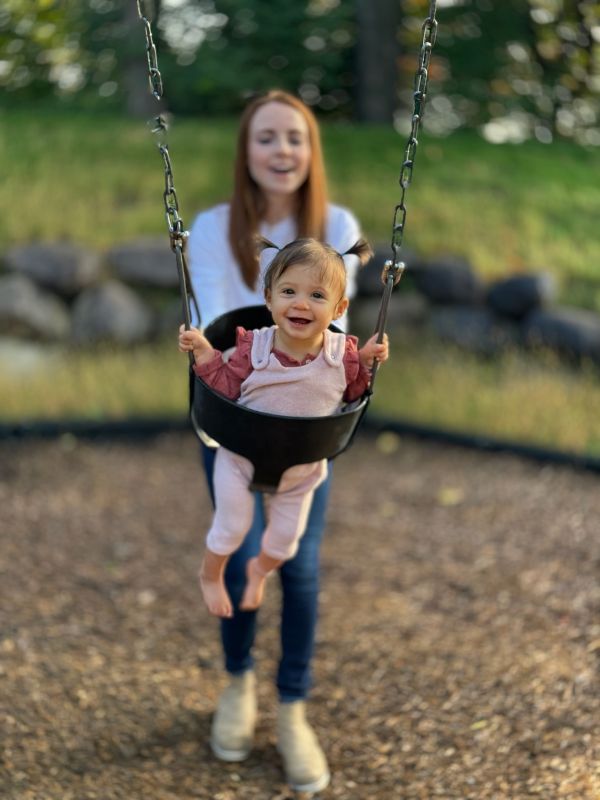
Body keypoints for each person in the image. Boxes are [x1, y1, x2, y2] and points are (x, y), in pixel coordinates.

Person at [186, 89, 371, 794]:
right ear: (247, 150)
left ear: (311, 150)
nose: (282, 150)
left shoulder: (339, 225)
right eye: (267, 138)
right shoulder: (211, 226)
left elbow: (332, 324)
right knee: (233, 544)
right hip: (236, 406)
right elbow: (218, 316)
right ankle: (237, 685)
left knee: (298, 563)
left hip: (307, 417)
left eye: (295, 137)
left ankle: (292, 707)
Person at [180, 237, 388, 622]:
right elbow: (225, 386)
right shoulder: (252, 347)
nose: (301, 303)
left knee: (283, 545)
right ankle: (210, 575)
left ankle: (259, 571)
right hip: (241, 455)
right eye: (288, 291)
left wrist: (367, 362)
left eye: (317, 295)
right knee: (232, 529)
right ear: (269, 299)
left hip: (302, 468)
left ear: (339, 308)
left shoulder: (341, 354)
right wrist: (206, 354)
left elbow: (353, 393)